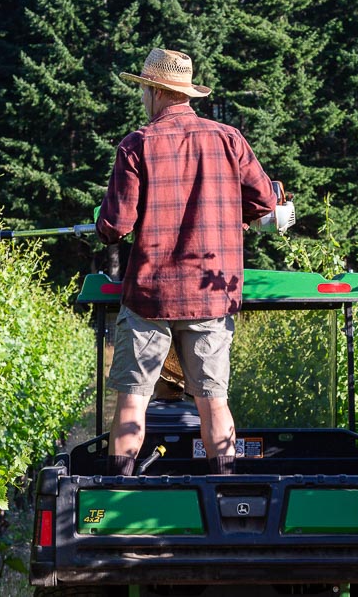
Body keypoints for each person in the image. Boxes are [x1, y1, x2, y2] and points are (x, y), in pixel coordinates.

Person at [96, 48, 276, 476]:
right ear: (184, 92)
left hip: (150, 299)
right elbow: (266, 201)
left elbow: (115, 225)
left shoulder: (137, 144)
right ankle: (226, 499)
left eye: (143, 89)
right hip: (211, 297)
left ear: (155, 91)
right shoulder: (229, 139)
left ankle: (116, 497)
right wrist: (240, 216)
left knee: (132, 402)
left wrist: (102, 225)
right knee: (214, 404)